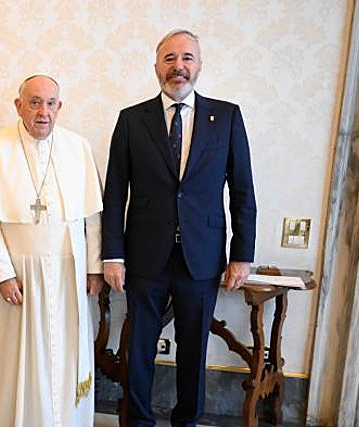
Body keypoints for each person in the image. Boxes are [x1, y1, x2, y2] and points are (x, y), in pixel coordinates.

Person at [101, 29, 257, 427]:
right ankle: (138, 421)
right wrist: (112, 255)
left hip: (201, 256)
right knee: (139, 346)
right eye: (169, 58)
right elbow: (115, 192)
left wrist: (242, 255)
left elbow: (242, 190)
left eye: (187, 57)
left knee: (193, 348)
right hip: (144, 255)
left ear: (200, 65)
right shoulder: (131, 119)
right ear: (156, 67)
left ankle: (186, 421)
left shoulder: (226, 117)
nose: (178, 66)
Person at [0, 75, 104, 427]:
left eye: (50, 103)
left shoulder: (78, 147)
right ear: (18, 106)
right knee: (13, 359)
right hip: (17, 276)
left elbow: (92, 218)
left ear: (59, 107)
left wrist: (94, 267)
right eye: (34, 103)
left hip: (68, 273)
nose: (43, 112)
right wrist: (2, 275)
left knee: (66, 354)